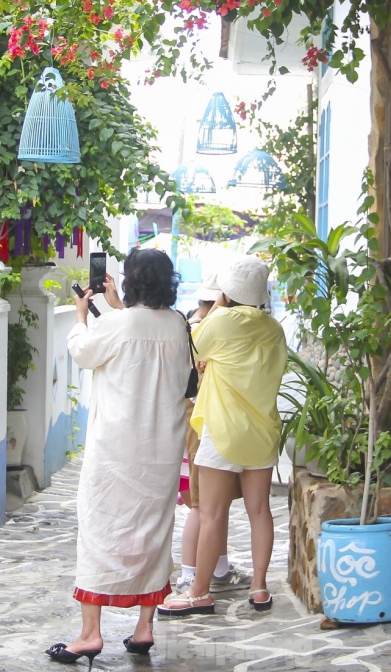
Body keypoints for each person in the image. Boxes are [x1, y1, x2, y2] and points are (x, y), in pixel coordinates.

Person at [47, 248, 190, 666]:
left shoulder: (119, 323)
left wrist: (79, 315)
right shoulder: (179, 325)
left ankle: (90, 633)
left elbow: (84, 352)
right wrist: (113, 310)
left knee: (100, 529)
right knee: (153, 530)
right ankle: (144, 628)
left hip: (116, 451)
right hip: (162, 449)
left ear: (129, 281)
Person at [159, 256, 287, 615]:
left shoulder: (223, 321)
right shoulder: (274, 329)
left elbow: (189, 345)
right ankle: (259, 588)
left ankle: (199, 592)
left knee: (212, 514)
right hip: (262, 433)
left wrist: (217, 305)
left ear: (228, 292)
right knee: (260, 511)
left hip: (222, 430)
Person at [175, 271, 248, 595]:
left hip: (213, 421)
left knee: (215, 506)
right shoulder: (197, 331)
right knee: (202, 506)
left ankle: (217, 566)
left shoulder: (212, 329)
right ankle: (190, 573)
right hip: (200, 420)